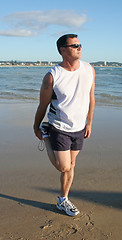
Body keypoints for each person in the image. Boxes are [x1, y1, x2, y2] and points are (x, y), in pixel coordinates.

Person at [33, 34, 95, 216]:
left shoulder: (89, 69)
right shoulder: (52, 76)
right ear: (63, 50)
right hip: (59, 126)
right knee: (63, 167)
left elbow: (91, 98)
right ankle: (47, 136)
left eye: (80, 44)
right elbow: (43, 105)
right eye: (74, 45)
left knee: (72, 164)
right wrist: (36, 127)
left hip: (79, 127)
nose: (79, 47)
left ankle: (63, 200)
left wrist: (89, 122)